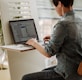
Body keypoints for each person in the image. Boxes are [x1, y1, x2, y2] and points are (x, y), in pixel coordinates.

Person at [22, 0, 82, 80]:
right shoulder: (79, 20)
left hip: (67, 73)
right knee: (44, 71)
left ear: (60, 3)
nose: (55, 9)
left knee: (26, 78)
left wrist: (34, 43)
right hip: (77, 68)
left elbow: (48, 53)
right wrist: (54, 37)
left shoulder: (62, 24)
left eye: (55, 6)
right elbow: (74, 39)